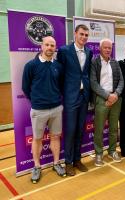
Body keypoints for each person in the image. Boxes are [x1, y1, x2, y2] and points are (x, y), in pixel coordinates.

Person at [22, 36, 66, 183]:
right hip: (38, 110)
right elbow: (25, 88)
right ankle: (37, 166)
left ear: (55, 48)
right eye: (47, 45)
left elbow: (60, 86)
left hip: (56, 108)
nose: (49, 48)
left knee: (55, 137)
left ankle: (56, 163)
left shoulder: (58, 66)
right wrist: (37, 100)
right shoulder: (31, 65)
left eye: (52, 45)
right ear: (41, 46)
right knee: (37, 138)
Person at [57, 24, 93, 176]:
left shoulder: (89, 52)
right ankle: (68, 162)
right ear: (75, 34)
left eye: (86, 35)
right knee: (70, 130)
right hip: (71, 96)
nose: (84, 37)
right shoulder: (64, 51)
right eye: (81, 34)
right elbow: (59, 74)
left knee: (80, 130)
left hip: (84, 96)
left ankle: (77, 159)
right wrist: (64, 92)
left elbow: (86, 73)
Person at [90, 38, 124, 167]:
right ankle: (99, 153)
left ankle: (112, 151)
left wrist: (115, 94)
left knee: (114, 128)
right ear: (100, 48)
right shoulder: (94, 62)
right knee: (99, 128)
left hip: (116, 98)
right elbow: (93, 83)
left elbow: (121, 81)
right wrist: (107, 96)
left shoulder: (115, 62)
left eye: (110, 48)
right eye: (105, 47)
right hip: (101, 98)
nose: (108, 50)